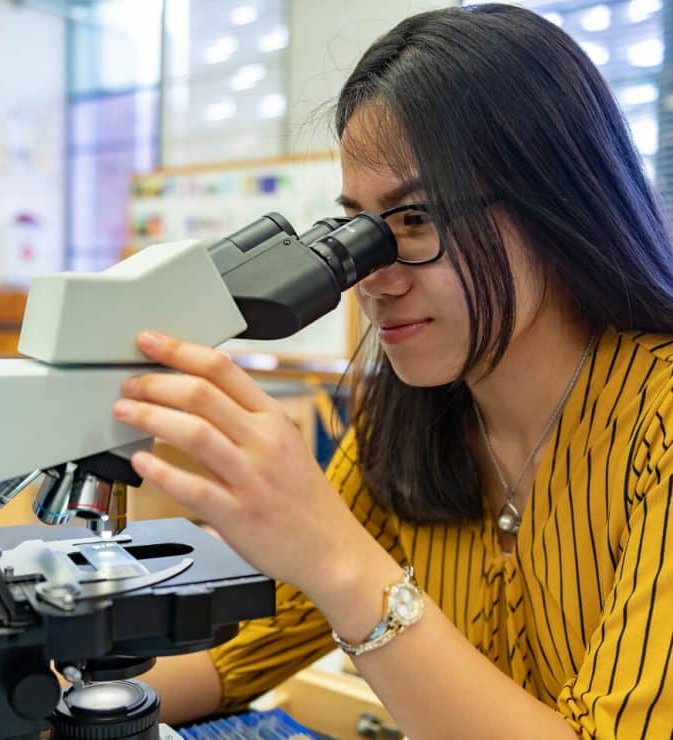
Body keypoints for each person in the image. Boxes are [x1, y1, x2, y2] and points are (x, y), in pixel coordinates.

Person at [111, 4, 673, 738]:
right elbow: (235, 661)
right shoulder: (406, 422)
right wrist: (34, 689)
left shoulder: (656, 424)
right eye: (360, 229)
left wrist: (337, 558)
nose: (374, 277)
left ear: (553, 203)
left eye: (415, 220)